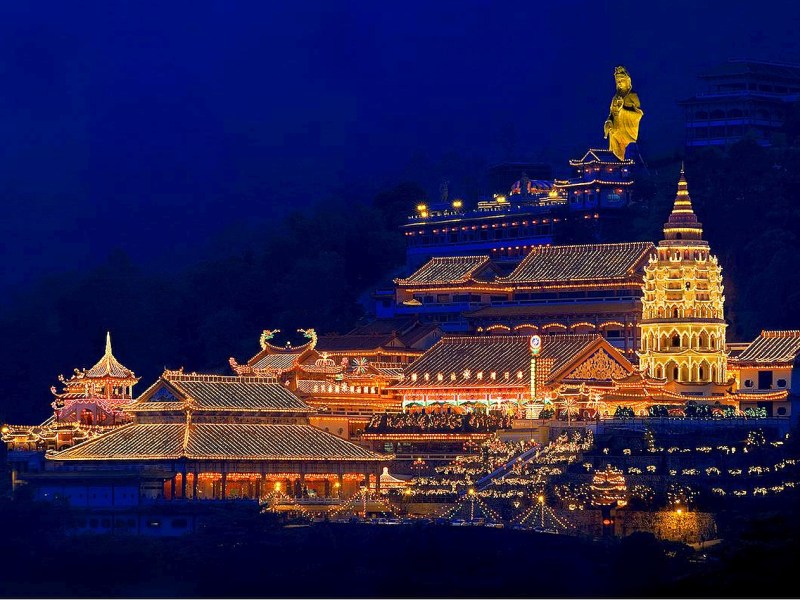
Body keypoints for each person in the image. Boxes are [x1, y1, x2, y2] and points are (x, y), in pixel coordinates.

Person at [603, 66, 643, 161]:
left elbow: (639, 114)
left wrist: (622, 111)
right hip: (615, 132)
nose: (619, 83)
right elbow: (611, 114)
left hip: (628, 132)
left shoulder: (633, 96)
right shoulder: (615, 98)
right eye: (617, 81)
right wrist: (608, 122)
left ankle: (627, 171)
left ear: (628, 81)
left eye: (621, 80)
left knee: (629, 156)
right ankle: (616, 170)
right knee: (615, 157)